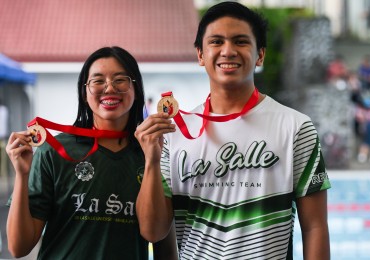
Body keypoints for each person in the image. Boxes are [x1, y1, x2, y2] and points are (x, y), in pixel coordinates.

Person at [135, 2, 331, 259]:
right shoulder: (174, 133)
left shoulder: (295, 127)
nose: (228, 51)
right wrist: (151, 159)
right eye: (216, 42)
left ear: (260, 55)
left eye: (240, 41)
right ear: (200, 55)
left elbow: (315, 226)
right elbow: (152, 231)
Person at [5, 46, 177, 259]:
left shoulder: (156, 151)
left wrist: (152, 160)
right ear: (84, 93)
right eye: (97, 80)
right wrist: (22, 175)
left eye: (120, 79)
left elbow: (160, 238)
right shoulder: (53, 151)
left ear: (136, 89)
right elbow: (18, 247)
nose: (109, 88)